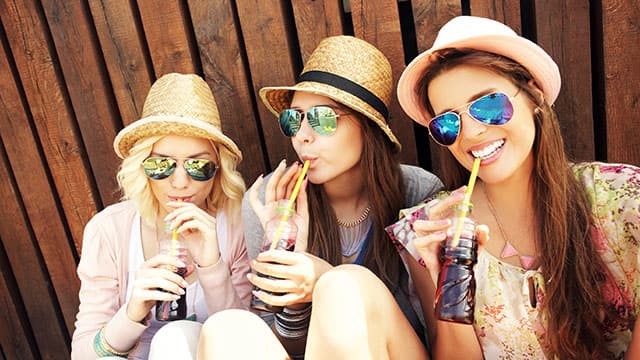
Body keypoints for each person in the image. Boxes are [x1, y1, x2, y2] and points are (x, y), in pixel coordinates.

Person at [387, 15, 640, 359]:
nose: (472, 132)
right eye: (448, 122)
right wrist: (449, 285)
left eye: (488, 105)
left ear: (533, 95)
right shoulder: (430, 232)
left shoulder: (623, 199)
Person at [196, 35, 443, 359]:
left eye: (323, 119)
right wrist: (294, 300)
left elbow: (434, 333)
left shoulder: (418, 192)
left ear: (368, 127)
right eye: (294, 119)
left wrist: (323, 278)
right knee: (224, 329)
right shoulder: (273, 203)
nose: (303, 136)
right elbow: (283, 347)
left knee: (344, 284)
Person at [71, 73, 252, 359]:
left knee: (177, 338)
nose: (180, 183)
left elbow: (248, 346)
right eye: (161, 165)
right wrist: (132, 313)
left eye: (199, 166)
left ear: (218, 171)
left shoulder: (235, 226)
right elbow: (83, 354)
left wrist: (212, 267)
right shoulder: (109, 230)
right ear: (141, 167)